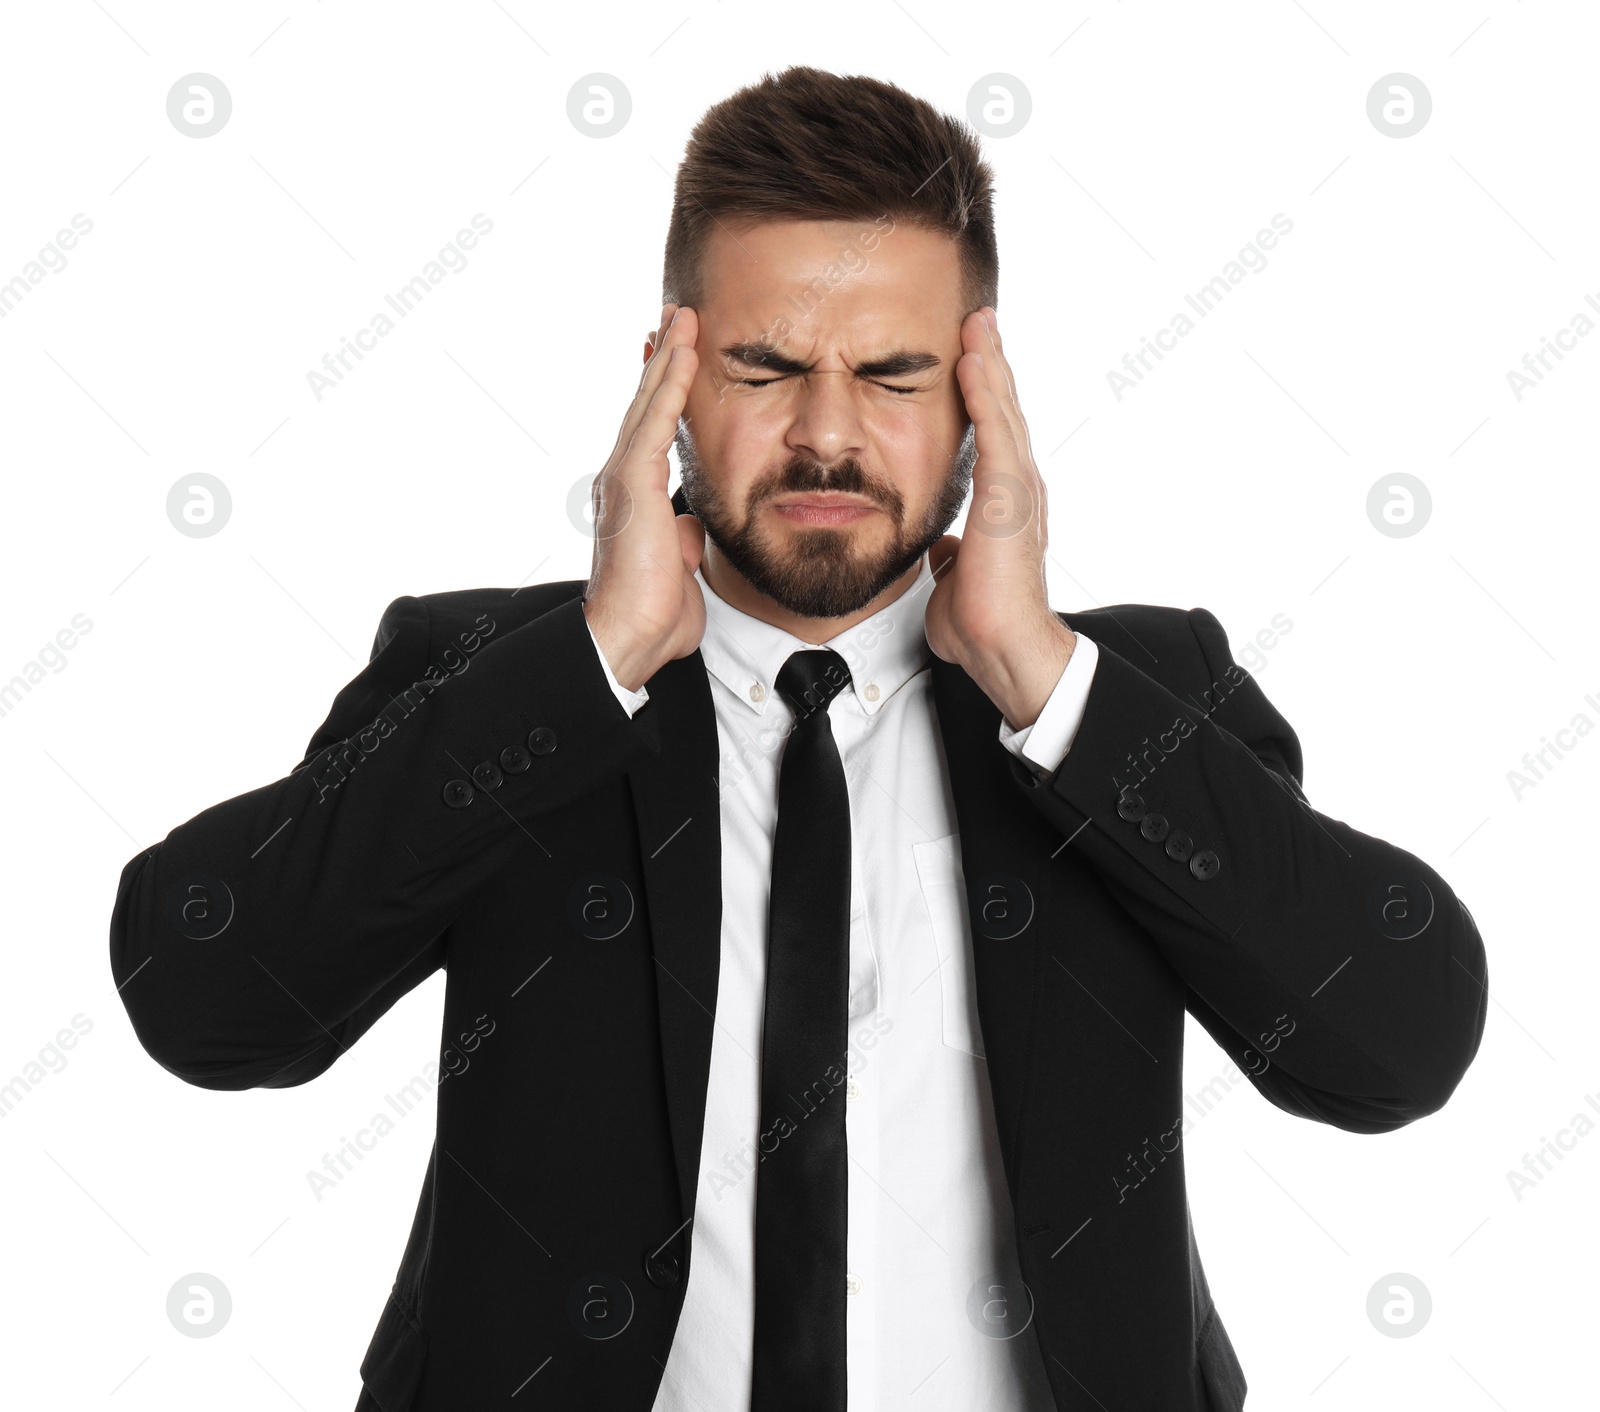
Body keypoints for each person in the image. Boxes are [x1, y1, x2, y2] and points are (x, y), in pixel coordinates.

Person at [109, 65, 1488, 1412]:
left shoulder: (1132, 695)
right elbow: (208, 998)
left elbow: (1398, 1044)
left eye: (893, 376)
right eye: (766, 367)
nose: (827, 435)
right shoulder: (499, 684)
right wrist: (589, 663)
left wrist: (1046, 679)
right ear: (672, 377)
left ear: (976, 400)